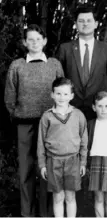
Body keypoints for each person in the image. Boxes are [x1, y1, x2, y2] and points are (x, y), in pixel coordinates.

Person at [4, 24, 64, 217]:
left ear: (45, 41)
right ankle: (27, 213)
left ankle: (46, 213)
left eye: (38, 39)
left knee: (48, 169)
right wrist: (18, 113)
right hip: (25, 124)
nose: (35, 43)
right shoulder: (17, 65)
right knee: (26, 170)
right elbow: (9, 96)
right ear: (24, 43)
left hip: (51, 124)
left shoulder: (54, 64)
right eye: (30, 39)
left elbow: (63, 91)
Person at [37, 77, 88, 218]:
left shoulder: (78, 115)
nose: (61, 97)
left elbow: (84, 140)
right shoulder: (47, 117)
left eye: (65, 94)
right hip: (54, 161)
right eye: (58, 93)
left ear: (71, 96)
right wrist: (42, 164)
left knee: (70, 197)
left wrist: (83, 162)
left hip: (73, 161)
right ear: (52, 94)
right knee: (58, 197)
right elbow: (41, 142)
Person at [56, 5, 107, 120]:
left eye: (89, 20)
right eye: (81, 21)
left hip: (99, 110)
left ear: (96, 24)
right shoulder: (65, 49)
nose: (85, 24)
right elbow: (59, 80)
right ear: (75, 24)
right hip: (70, 110)